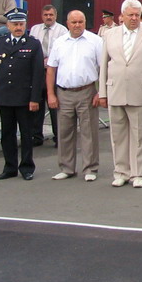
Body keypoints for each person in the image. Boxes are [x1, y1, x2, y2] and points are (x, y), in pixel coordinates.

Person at [99, 0, 142, 188]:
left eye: (137, 14)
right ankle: (121, 172)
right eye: (130, 15)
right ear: (122, 16)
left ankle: (138, 173)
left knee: (139, 135)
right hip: (115, 90)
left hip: (140, 91)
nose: (134, 18)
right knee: (118, 136)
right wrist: (102, 92)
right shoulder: (109, 35)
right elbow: (104, 64)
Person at [47, 10, 104, 182]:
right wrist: (51, 94)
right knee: (64, 132)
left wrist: (101, 92)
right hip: (63, 93)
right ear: (67, 23)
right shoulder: (59, 42)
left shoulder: (95, 41)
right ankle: (66, 168)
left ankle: (90, 168)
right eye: (74, 22)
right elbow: (51, 70)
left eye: (80, 22)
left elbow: (104, 68)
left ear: (85, 22)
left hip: (87, 92)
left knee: (89, 133)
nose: (77, 25)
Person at [0, 9, 44, 181]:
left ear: (25, 25)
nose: (18, 27)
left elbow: (37, 74)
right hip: (4, 96)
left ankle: (26, 167)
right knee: (7, 134)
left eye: (21, 24)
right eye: (15, 24)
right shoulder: (0, 43)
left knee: (26, 134)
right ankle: (9, 167)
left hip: (24, 97)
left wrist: (35, 98)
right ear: (8, 25)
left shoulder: (33, 44)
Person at [29, 5, 68, 146]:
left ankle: (58, 137)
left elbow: (64, 51)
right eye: (46, 15)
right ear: (42, 16)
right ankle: (36, 136)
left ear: (55, 16)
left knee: (55, 105)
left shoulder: (62, 30)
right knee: (37, 104)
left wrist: (50, 61)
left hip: (55, 71)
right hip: (38, 72)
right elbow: (31, 48)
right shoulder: (35, 29)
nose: (48, 17)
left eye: (51, 15)